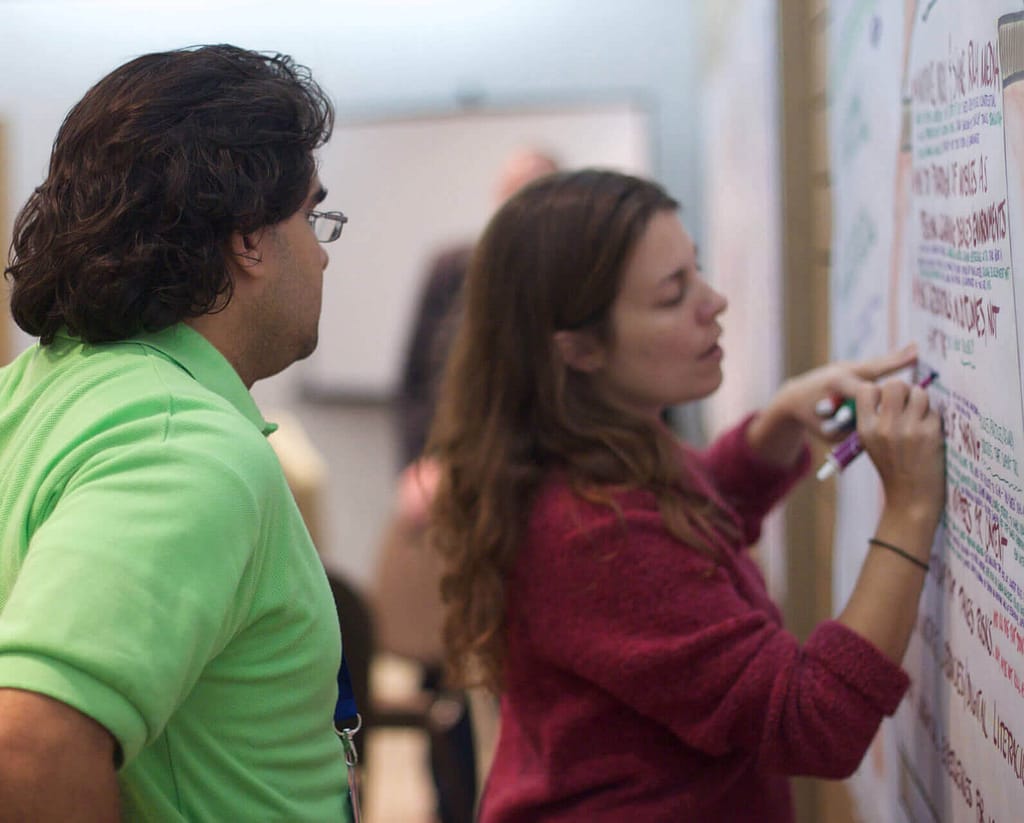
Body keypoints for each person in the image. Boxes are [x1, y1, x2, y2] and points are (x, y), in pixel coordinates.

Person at [425, 169, 946, 822]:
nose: (715, 300)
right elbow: (812, 720)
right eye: (674, 295)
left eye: (696, 270)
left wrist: (781, 420)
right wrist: (910, 510)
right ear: (579, 348)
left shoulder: (595, 443)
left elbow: (690, 516)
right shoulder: (592, 530)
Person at [0, 45, 352, 821]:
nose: (322, 255)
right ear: (250, 238)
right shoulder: (181, 444)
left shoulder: (35, 392)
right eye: (311, 216)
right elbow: (30, 749)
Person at [373, 147, 558, 823]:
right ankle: (447, 808)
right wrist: (416, 468)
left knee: (521, 680)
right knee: (438, 673)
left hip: (523, 505)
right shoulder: (454, 271)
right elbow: (412, 385)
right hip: (445, 502)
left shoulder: (572, 289)